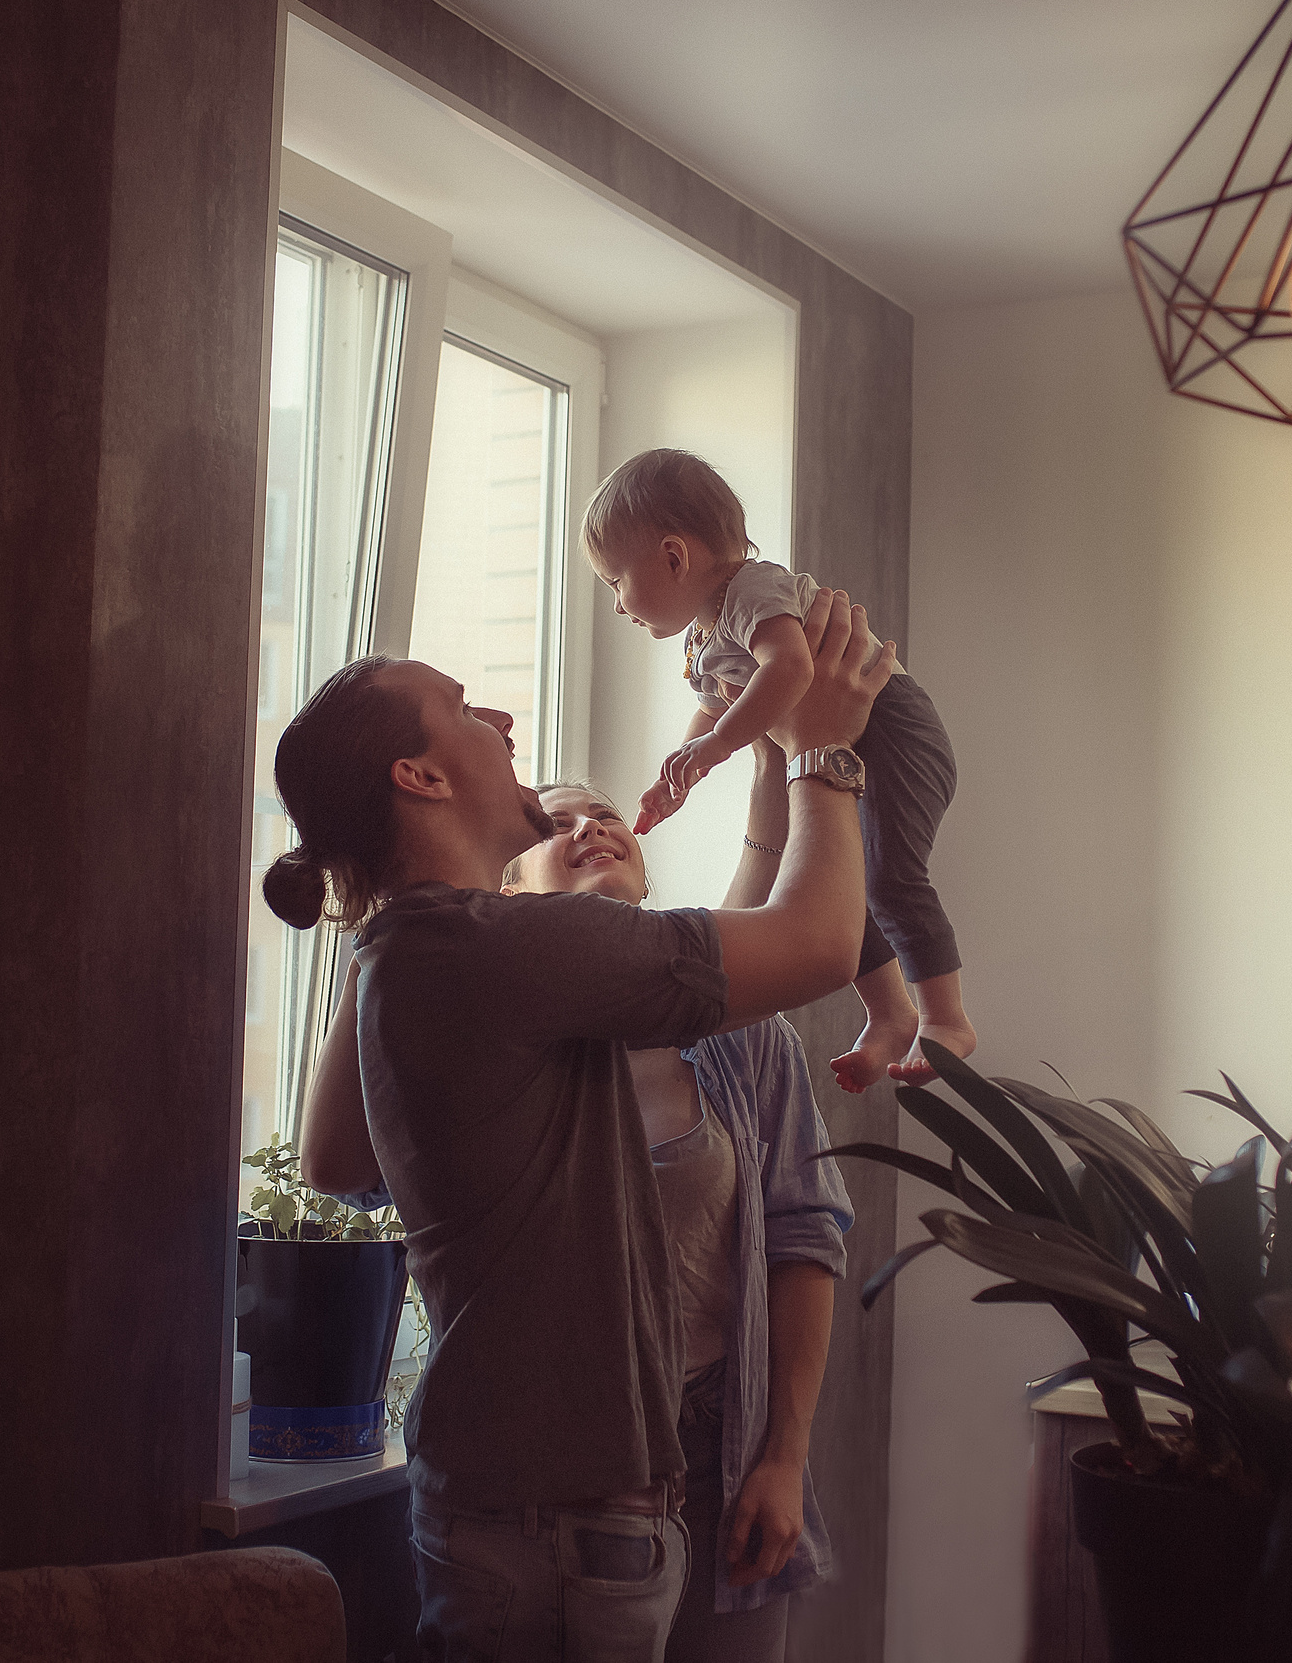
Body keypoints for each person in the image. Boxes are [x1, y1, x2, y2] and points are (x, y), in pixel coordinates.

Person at [263, 589, 892, 1663]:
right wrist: (822, 750)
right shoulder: (498, 947)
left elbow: (335, 1159)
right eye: (465, 708)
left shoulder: (413, 951)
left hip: (512, 1510)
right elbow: (822, 942)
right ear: (419, 778)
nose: (503, 719)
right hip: (557, 1529)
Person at [582, 448, 974, 1092]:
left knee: (890, 877)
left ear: (674, 557)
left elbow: (789, 669)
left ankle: (946, 1018)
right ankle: (889, 1012)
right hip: (847, 735)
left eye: (614, 582)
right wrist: (681, 770)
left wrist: (716, 748)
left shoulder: (752, 590)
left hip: (895, 730)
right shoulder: (704, 635)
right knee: (842, 884)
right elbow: (716, 706)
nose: (619, 607)